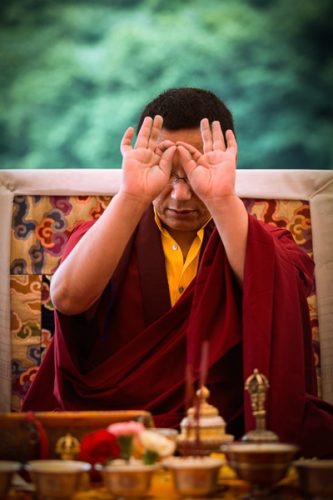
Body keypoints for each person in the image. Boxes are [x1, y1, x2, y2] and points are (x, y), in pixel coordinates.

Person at [22, 87, 333, 457]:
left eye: (194, 173)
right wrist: (132, 196)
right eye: (168, 174)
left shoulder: (267, 244)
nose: (179, 196)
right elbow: (67, 299)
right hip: (118, 435)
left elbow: (270, 294)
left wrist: (220, 198)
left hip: (229, 436)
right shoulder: (108, 237)